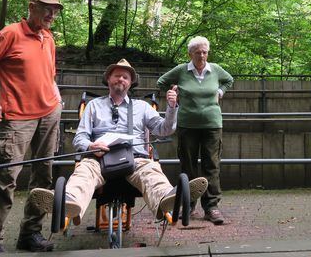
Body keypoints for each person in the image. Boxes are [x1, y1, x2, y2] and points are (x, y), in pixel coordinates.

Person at [28, 59, 208, 225]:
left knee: (151, 172)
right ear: (108, 79)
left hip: (135, 158)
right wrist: (91, 146)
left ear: (130, 83)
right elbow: (79, 138)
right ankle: (67, 202)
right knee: (83, 173)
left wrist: (171, 108)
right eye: (116, 75)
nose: (120, 79)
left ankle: (167, 198)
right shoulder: (93, 106)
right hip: (98, 159)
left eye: (125, 77)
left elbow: (165, 130)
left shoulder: (142, 107)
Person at [0, 0, 64, 255]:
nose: (52, 15)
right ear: (32, 7)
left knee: (43, 178)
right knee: (5, 179)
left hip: (49, 115)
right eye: (47, 9)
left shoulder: (49, 37)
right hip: (16, 119)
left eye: (56, 10)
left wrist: (56, 102)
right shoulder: (11, 33)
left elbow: (50, 75)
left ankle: (30, 234)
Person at [157, 36, 234, 225]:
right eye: (198, 52)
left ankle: (211, 207)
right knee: (188, 165)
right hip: (187, 126)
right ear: (190, 53)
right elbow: (161, 82)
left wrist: (220, 92)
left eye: (205, 52)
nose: (202, 55)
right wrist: (173, 92)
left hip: (212, 125)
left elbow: (229, 80)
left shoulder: (215, 70)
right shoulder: (182, 71)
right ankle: (188, 205)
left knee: (212, 165)